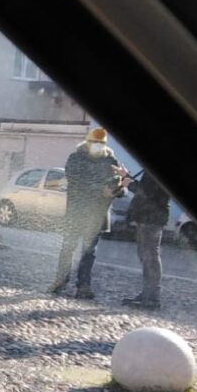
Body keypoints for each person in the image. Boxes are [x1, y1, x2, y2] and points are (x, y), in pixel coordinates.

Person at [50, 128, 125, 299]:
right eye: (95, 142)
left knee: (89, 252)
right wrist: (101, 189)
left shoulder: (110, 160)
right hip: (76, 212)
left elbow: (119, 188)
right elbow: (76, 180)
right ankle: (60, 280)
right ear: (87, 142)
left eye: (101, 143)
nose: (98, 146)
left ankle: (84, 285)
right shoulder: (76, 158)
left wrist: (117, 189)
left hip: (96, 215)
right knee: (68, 248)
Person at [124, 168, 171, 309]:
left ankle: (152, 298)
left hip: (151, 218)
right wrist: (126, 176)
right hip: (150, 217)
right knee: (147, 256)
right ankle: (148, 294)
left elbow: (147, 193)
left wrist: (130, 184)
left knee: (150, 257)